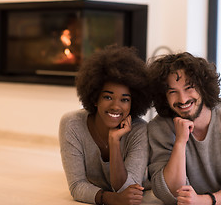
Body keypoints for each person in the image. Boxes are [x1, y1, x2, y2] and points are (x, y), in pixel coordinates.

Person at [147, 52, 221, 205]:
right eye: (172, 92)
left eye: (189, 87)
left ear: (203, 86)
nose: (183, 99)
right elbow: (169, 192)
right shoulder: (159, 127)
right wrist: (180, 142)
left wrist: (202, 201)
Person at [59, 45, 152, 205]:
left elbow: (128, 190)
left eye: (124, 99)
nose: (116, 106)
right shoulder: (72, 124)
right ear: (95, 98)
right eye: (108, 97)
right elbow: (76, 186)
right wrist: (112, 199)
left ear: (133, 103)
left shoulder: (139, 130)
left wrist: (114, 141)